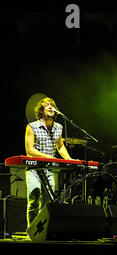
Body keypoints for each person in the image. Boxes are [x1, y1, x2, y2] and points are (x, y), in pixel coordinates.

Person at [25, 97, 72, 227]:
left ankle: (43, 231)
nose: (51, 107)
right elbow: (29, 150)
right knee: (34, 199)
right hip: (34, 169)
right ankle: (32, 231)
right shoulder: (32, 126)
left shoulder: (59, 127)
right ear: (41, 110)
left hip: (49, 170)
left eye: (53, 105)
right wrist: (48, 157)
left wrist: (69, 159)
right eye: (47, 105)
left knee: (47, 203)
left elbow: (60, 146)